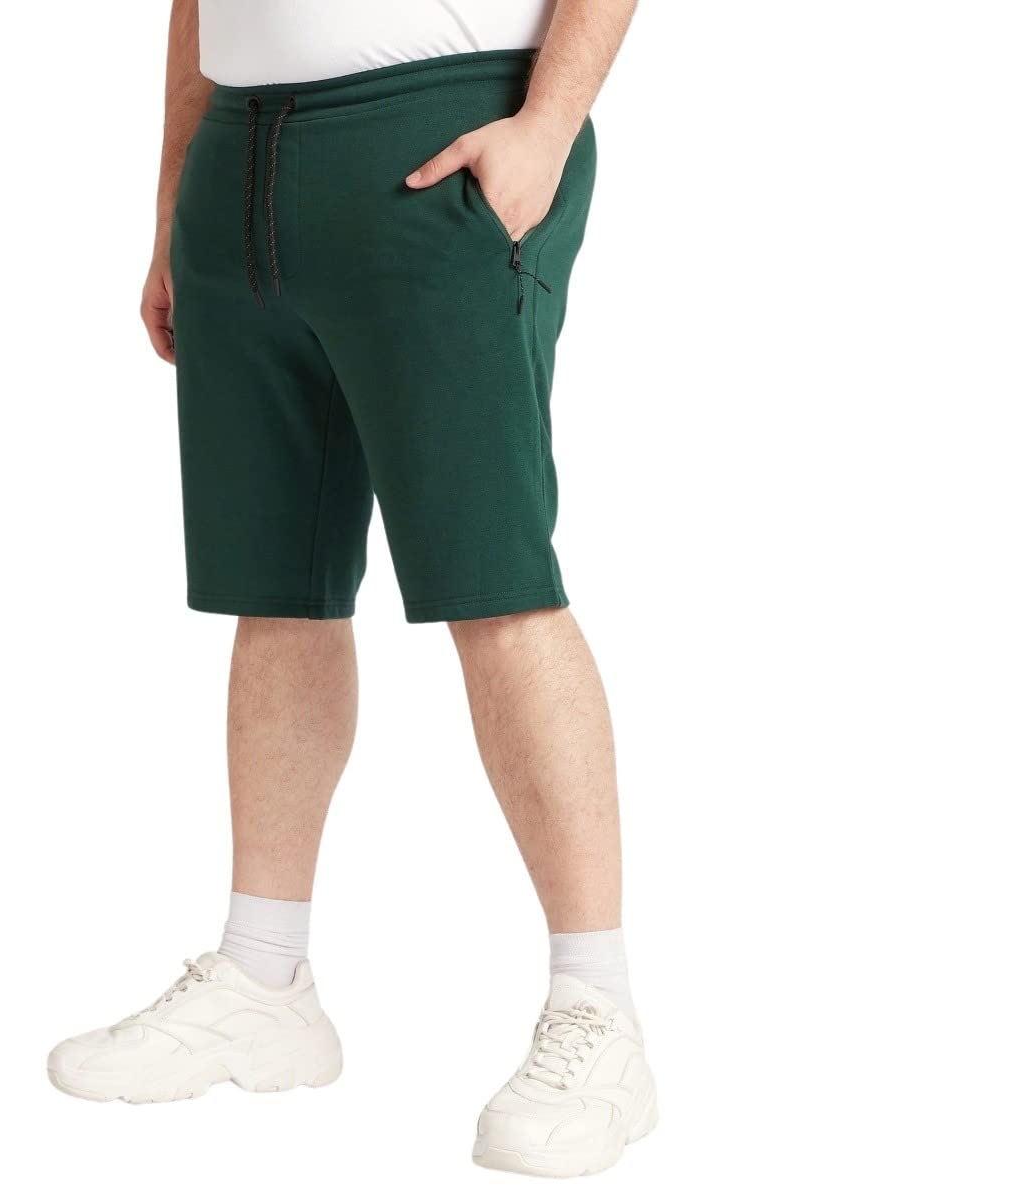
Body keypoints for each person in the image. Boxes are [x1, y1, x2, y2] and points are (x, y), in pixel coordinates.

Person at [48, 0, 655, 1177]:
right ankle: (264, 975)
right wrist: (175, 198)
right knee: (275, 587)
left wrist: (548, 126)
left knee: (496, 580)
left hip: (439, 137)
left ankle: (599, 1008)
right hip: (242, 159)